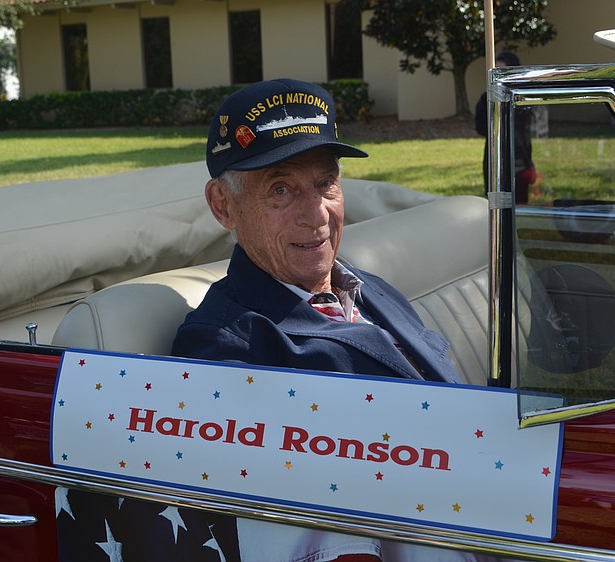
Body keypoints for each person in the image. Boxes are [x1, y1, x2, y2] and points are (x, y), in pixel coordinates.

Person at [172, 78, 474, 562]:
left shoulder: (366, 288)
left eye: (325, 183)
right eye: (281, 189)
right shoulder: (225, 346)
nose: (316, 215)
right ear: (223, 205)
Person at [474, 51, 537, 204]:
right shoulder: (487, 97)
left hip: (520, 159)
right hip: (495, 158)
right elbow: (480, 126)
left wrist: (529, 164)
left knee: (520, 203)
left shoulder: (522, 98)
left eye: (503, 71)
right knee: (497, 203)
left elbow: (526, 132)